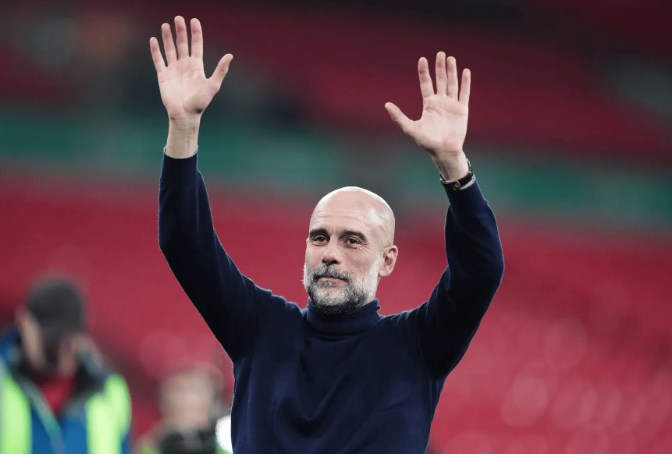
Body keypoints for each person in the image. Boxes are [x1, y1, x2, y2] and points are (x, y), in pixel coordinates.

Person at [152, 16, 504, 454]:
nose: (330, 253)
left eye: (352, 240)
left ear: (388, 259)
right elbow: (184, 242)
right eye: (319, 238)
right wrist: (183, 125)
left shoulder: (417, 346)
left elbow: (480, 270)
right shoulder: (260, 328)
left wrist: (452, 163)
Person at [0, 277, 132, 454]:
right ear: (24, 322)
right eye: (52, 341)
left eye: (69, 340)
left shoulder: (111, 392)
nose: (62, 351)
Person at [136, 364, 232, 454]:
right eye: (178, 391)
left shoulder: (230, 445)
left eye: (194, 389)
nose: (186, 398)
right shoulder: (148, 448)